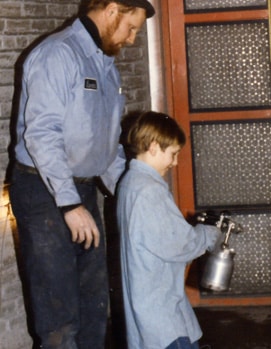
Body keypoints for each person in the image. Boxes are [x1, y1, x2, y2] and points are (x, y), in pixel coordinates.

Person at [9, 1, 155, 348]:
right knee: (59, 315)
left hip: (80, 193)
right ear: (111, 10)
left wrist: (136, 191)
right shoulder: (57, 55)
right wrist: (68, 205)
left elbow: (104, 147)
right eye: (131, 28)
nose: (132, 39)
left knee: (93, 306)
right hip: (46, 194)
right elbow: (41, 135)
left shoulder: (105, 65)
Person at [117, 111, 221, 349]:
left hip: (151, 300)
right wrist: (208, 234)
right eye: (173, 154)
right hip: (161, 312)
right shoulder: (149, 190)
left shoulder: (129, 182)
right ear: (154, 147)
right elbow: (179, 245)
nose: (175, 163)